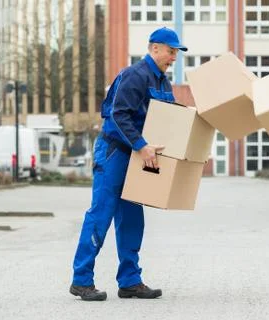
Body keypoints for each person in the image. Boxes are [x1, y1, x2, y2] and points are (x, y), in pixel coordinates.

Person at [69, 27, 188, 301]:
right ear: (154, 48)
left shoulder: (162, 83)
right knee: (101, 215)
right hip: (115, 153)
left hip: (137, 155)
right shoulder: (135, 75)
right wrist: (141, 145)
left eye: (176, 54)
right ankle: (81, 280)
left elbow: (168, 122)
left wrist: (185, 150)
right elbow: (117, 115)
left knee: (132, 219)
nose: (173, 58)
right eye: (171, 52)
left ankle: (130, 281)